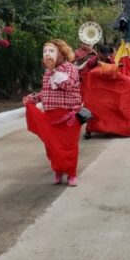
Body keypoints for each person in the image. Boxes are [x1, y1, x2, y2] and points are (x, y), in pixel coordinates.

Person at [23, 39, 83, 186]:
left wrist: (54, 71)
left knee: (69, 146)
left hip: (68, 115)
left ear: (62, 54)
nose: (47, 54)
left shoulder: (70, 68)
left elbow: (67, 85)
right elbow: (46, 92)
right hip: (51, 115)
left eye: (51, 51)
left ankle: (71, 174)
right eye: (45, 51)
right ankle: (58, 170)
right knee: (52, 146)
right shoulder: (48, 73)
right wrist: (32, 98)